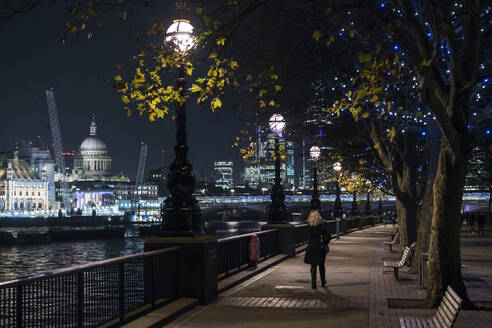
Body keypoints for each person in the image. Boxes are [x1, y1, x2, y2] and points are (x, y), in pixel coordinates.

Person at [304, 210, 331, 289]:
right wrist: (324, 243)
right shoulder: (322, 225)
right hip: (320, 246)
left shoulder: (309, 225)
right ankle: (323, 282)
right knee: (321, 265)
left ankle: (313, 283)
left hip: (311, 246)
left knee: (313, 265)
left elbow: (306, 235)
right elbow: (327, 236)